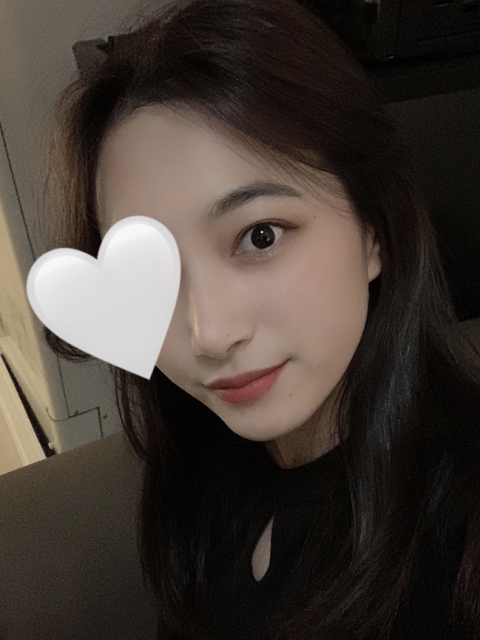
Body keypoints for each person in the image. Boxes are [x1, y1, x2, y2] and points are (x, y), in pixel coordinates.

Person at [42, 0, 480, 638]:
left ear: (374, 230)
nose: (211, 334)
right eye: (151, 278)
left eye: (261, 236)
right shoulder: (200, 478)